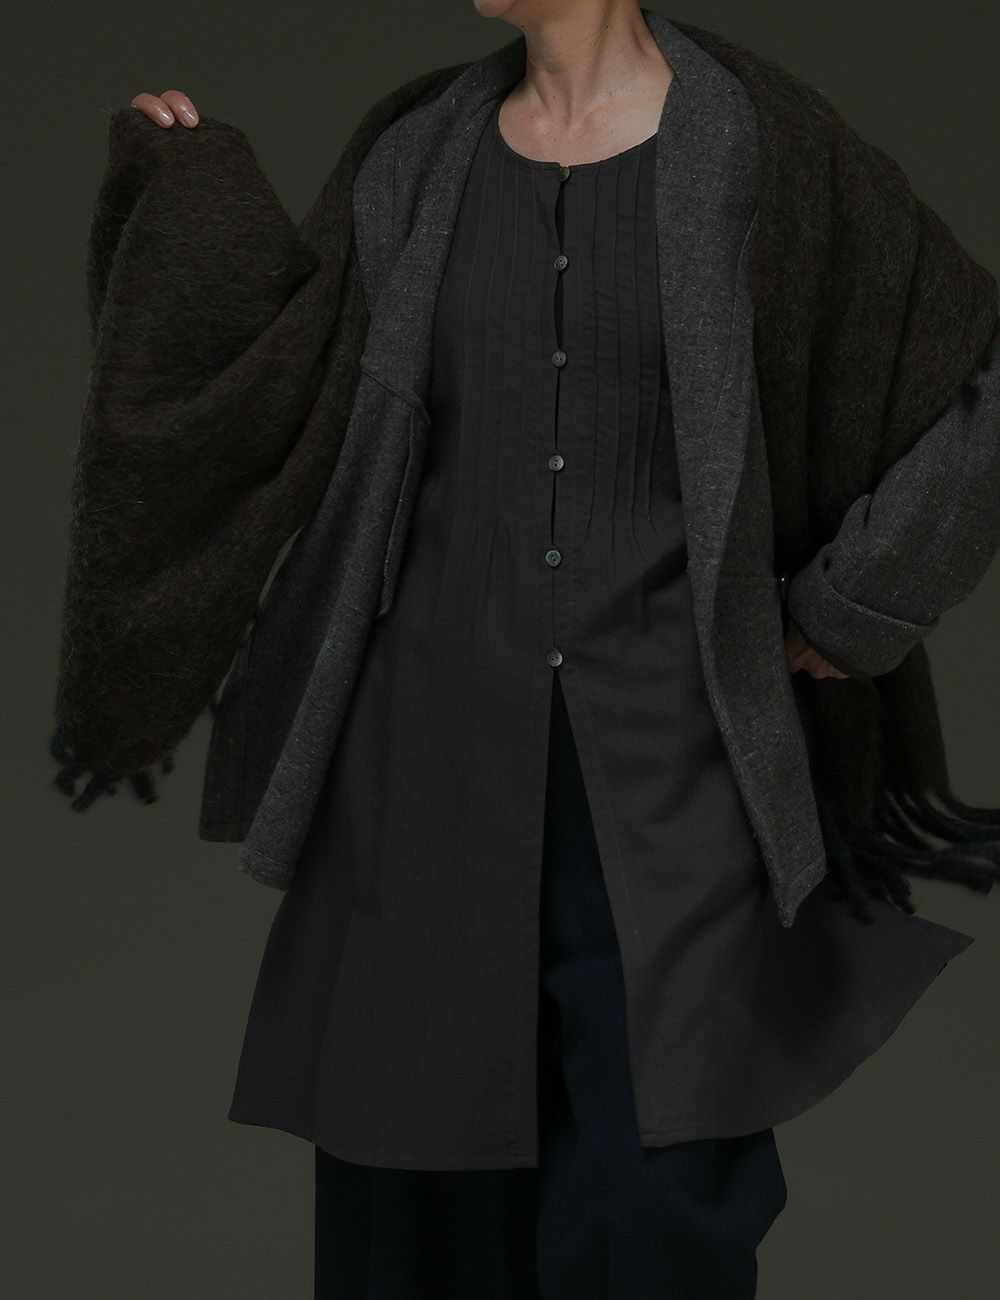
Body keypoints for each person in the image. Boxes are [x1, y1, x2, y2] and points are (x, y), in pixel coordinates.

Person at [58, 2, 1000, 1296]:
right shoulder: (418, 151)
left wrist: (859, 603)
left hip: (676, 773)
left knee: (660, 1212)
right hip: (420, 769)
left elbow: (973, 378)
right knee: (413, 1215)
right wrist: (182, 195)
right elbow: (281, 382)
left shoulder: (763, 148)